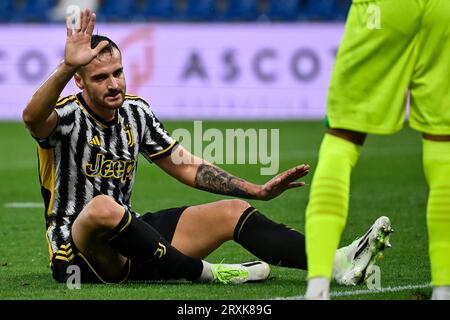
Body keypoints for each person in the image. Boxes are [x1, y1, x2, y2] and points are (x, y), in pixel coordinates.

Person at [23, 9, 389, 286]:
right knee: (102, 207)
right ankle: (210, 274)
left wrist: (255, 190)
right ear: (79, 81)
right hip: (78, 255)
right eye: (100, 77)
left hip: (133, 240)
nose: (113, 83)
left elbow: (186, 166)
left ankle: (338, 263)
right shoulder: (67, 115)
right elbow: (32, 118)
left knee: (232, 211)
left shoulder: (136, 111)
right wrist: (64, 67)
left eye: (117, 72)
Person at [304, 0, 450, 299]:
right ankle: (444, 290)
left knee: (342, 140)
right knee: (443, 146)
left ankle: (317, 288)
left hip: (385, 9)